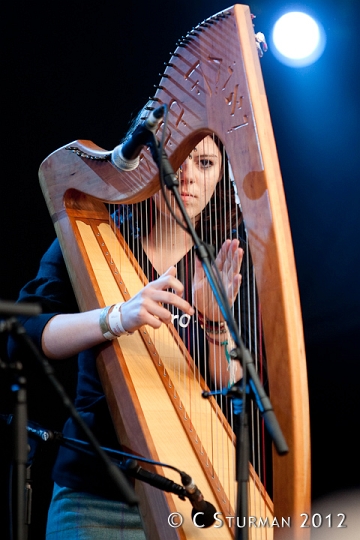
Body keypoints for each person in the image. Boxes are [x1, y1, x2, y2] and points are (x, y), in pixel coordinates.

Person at [8, 134, 244, 539]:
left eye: (205, 165)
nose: (187, 177)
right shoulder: (91, 237)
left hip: (190, 499)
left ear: (220, 178)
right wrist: (117, 317)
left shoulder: (220, 261)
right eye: (177, 161)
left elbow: (230, 378)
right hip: (92, 495)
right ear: (150, 167)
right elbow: (25, 337)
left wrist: (213, 320)